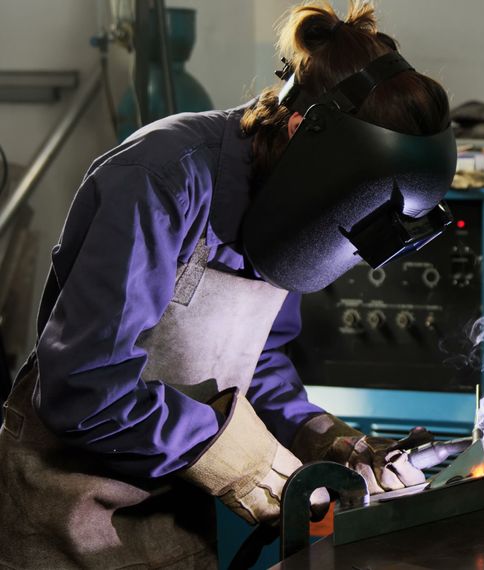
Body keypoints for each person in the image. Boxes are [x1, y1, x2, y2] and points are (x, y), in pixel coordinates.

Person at [0, 2, 456, 568]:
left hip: (179, 527)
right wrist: (251, 464)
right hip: (66, 524)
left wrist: (327, 441)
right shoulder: (162, 179)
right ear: (299, 130)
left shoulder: (289, 204)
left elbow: (256, 364)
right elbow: (87, 389)